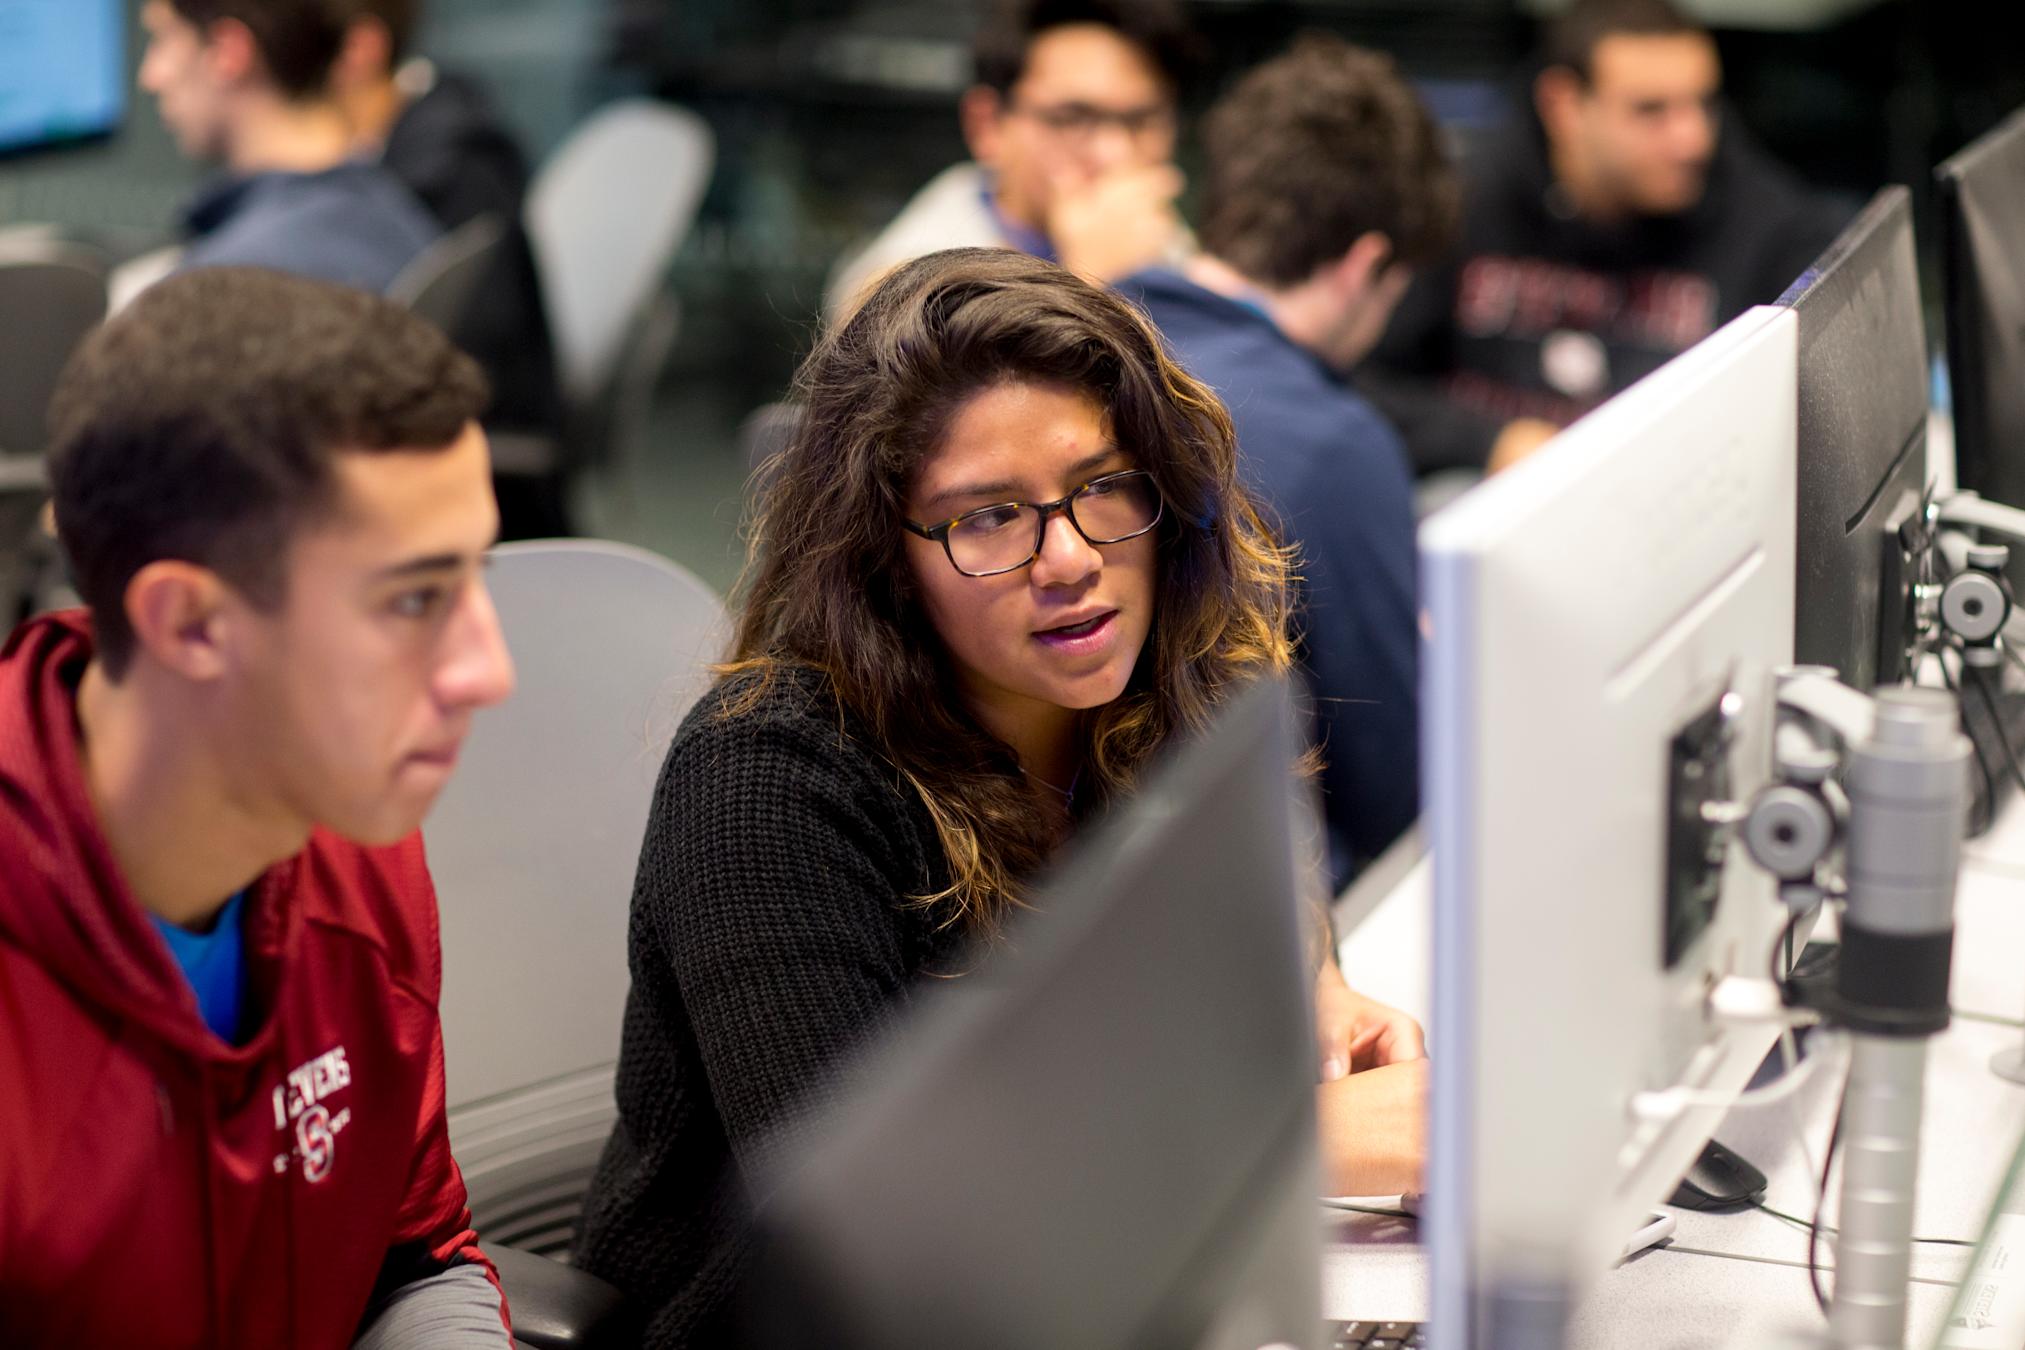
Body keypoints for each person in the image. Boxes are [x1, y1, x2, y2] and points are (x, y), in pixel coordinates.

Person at [573, 248, 1428, 1345]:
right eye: (987, 518)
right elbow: (877, 1242)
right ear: (884, 557)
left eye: (1103, 486)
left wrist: (1313, 985)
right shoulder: (767, 783)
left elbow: (1251, 896)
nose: (1069, 556)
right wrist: (1298, 1139)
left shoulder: (1165, 684)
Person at [0, 268, 517, 1347]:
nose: (489, 668)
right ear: (189, 624)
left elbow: (415, 1254)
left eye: (480, 578)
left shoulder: (353, 848)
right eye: (416, 599)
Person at [1119, 36, 1455, 886]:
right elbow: (1399, 792)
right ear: (1365, 266)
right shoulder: (1336, 445)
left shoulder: (1080, 330)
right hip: (1261, 917)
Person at [1365, 0, 1848, 476]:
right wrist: (1491, 442)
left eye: (1704, 103)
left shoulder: (1775, 231)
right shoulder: (1459, 205)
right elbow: (1359, 382)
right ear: (1564, 105)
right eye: (1651, 110)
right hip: (1482, 495)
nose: (1693, 139)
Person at [823, 0, 1197, 321]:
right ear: (986, 125)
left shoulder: (1166, 246)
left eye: (1141, 120)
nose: (1115, 152)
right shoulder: (902, 285)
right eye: (1073, 118)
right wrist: (1095, 284)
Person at [331, 0, 566, 471]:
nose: (154, 76)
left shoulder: (448, 173)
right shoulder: (433, 133)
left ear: (360, 50)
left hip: (473, 465)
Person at [136, 0, 440, 294]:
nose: (149, 77)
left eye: (163, 39)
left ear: (227, 52)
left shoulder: (210, 290)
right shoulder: (400, 220)